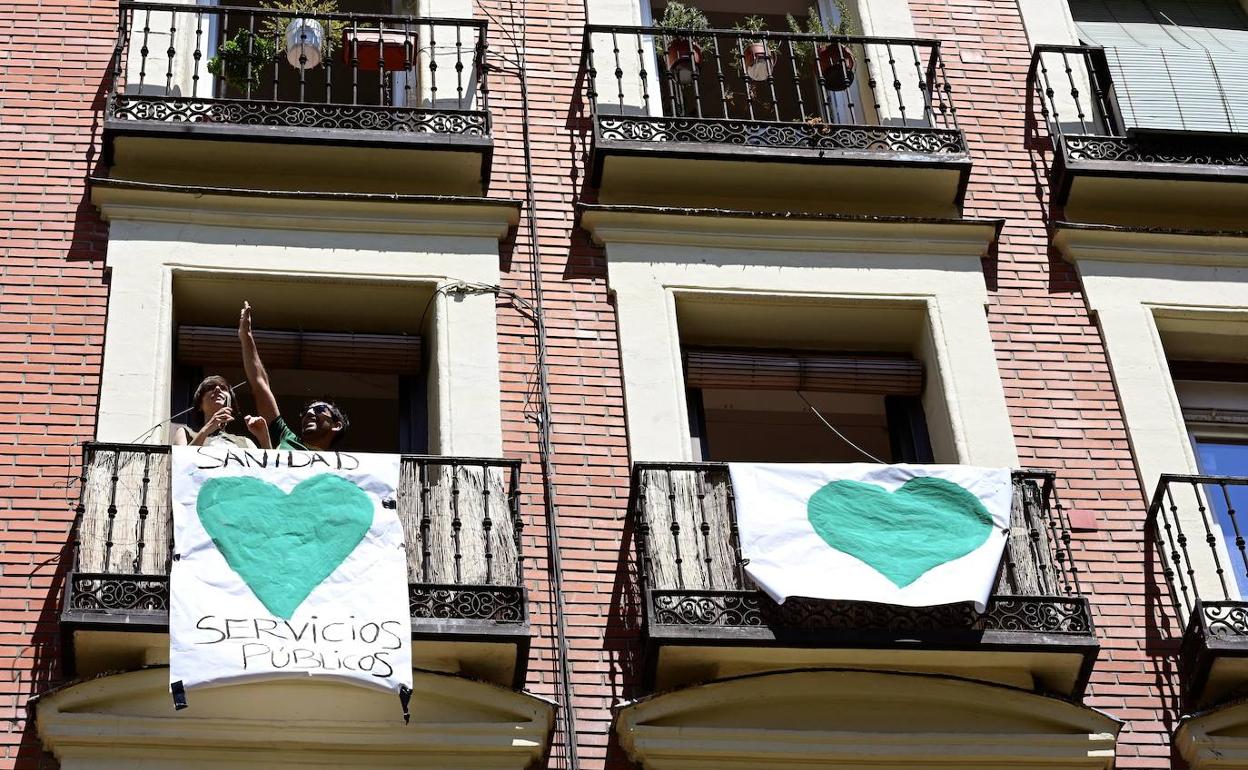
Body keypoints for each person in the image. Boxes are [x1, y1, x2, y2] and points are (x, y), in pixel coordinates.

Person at [238, 301, 349, 451]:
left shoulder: (339, 468)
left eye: (319, 409)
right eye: (305, 412)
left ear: (337, 425)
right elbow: (260, 384)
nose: (309, 413)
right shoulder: (286, 438)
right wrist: (246, 335)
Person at [171, 375, 267, 449]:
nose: (217, 389)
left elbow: (269, 471)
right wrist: (207, 429)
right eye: (209, 388)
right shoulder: (187, 434)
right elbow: (180, 464)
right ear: (199, 404)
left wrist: (264, 438)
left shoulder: (245, 442)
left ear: (231, 404)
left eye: (223, 388)